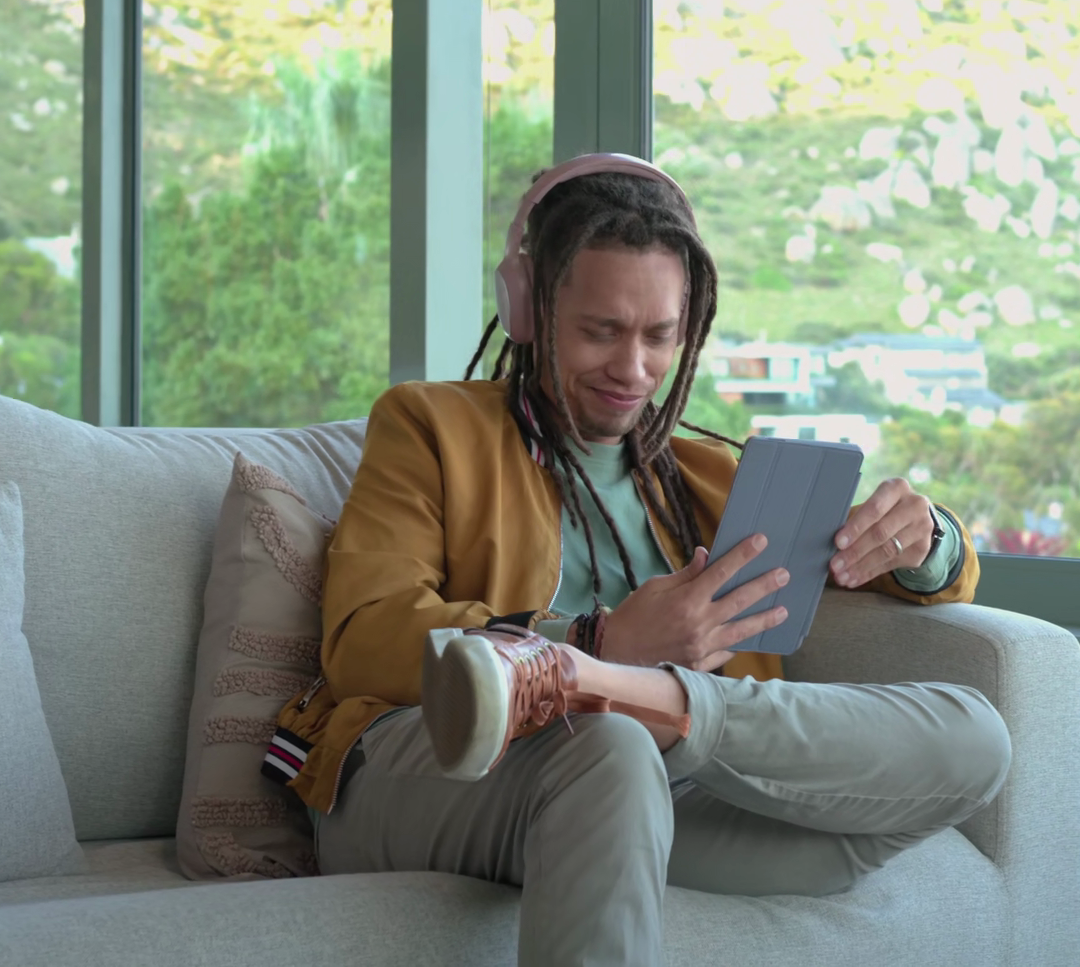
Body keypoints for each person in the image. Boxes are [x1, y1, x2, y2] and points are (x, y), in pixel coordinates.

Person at [269, 153, 1011, 966]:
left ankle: (621, 693)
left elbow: (918, 577)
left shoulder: (714, 477)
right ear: (530, 309)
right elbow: (364, 638)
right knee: (610, 746)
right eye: (601, 331)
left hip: (663, 789)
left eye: (660, 336)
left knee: (975, 735)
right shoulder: (430, 426)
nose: (633, 370)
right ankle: (584, 679)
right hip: (440, 772)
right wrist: (600, 638)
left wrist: (925, 540)